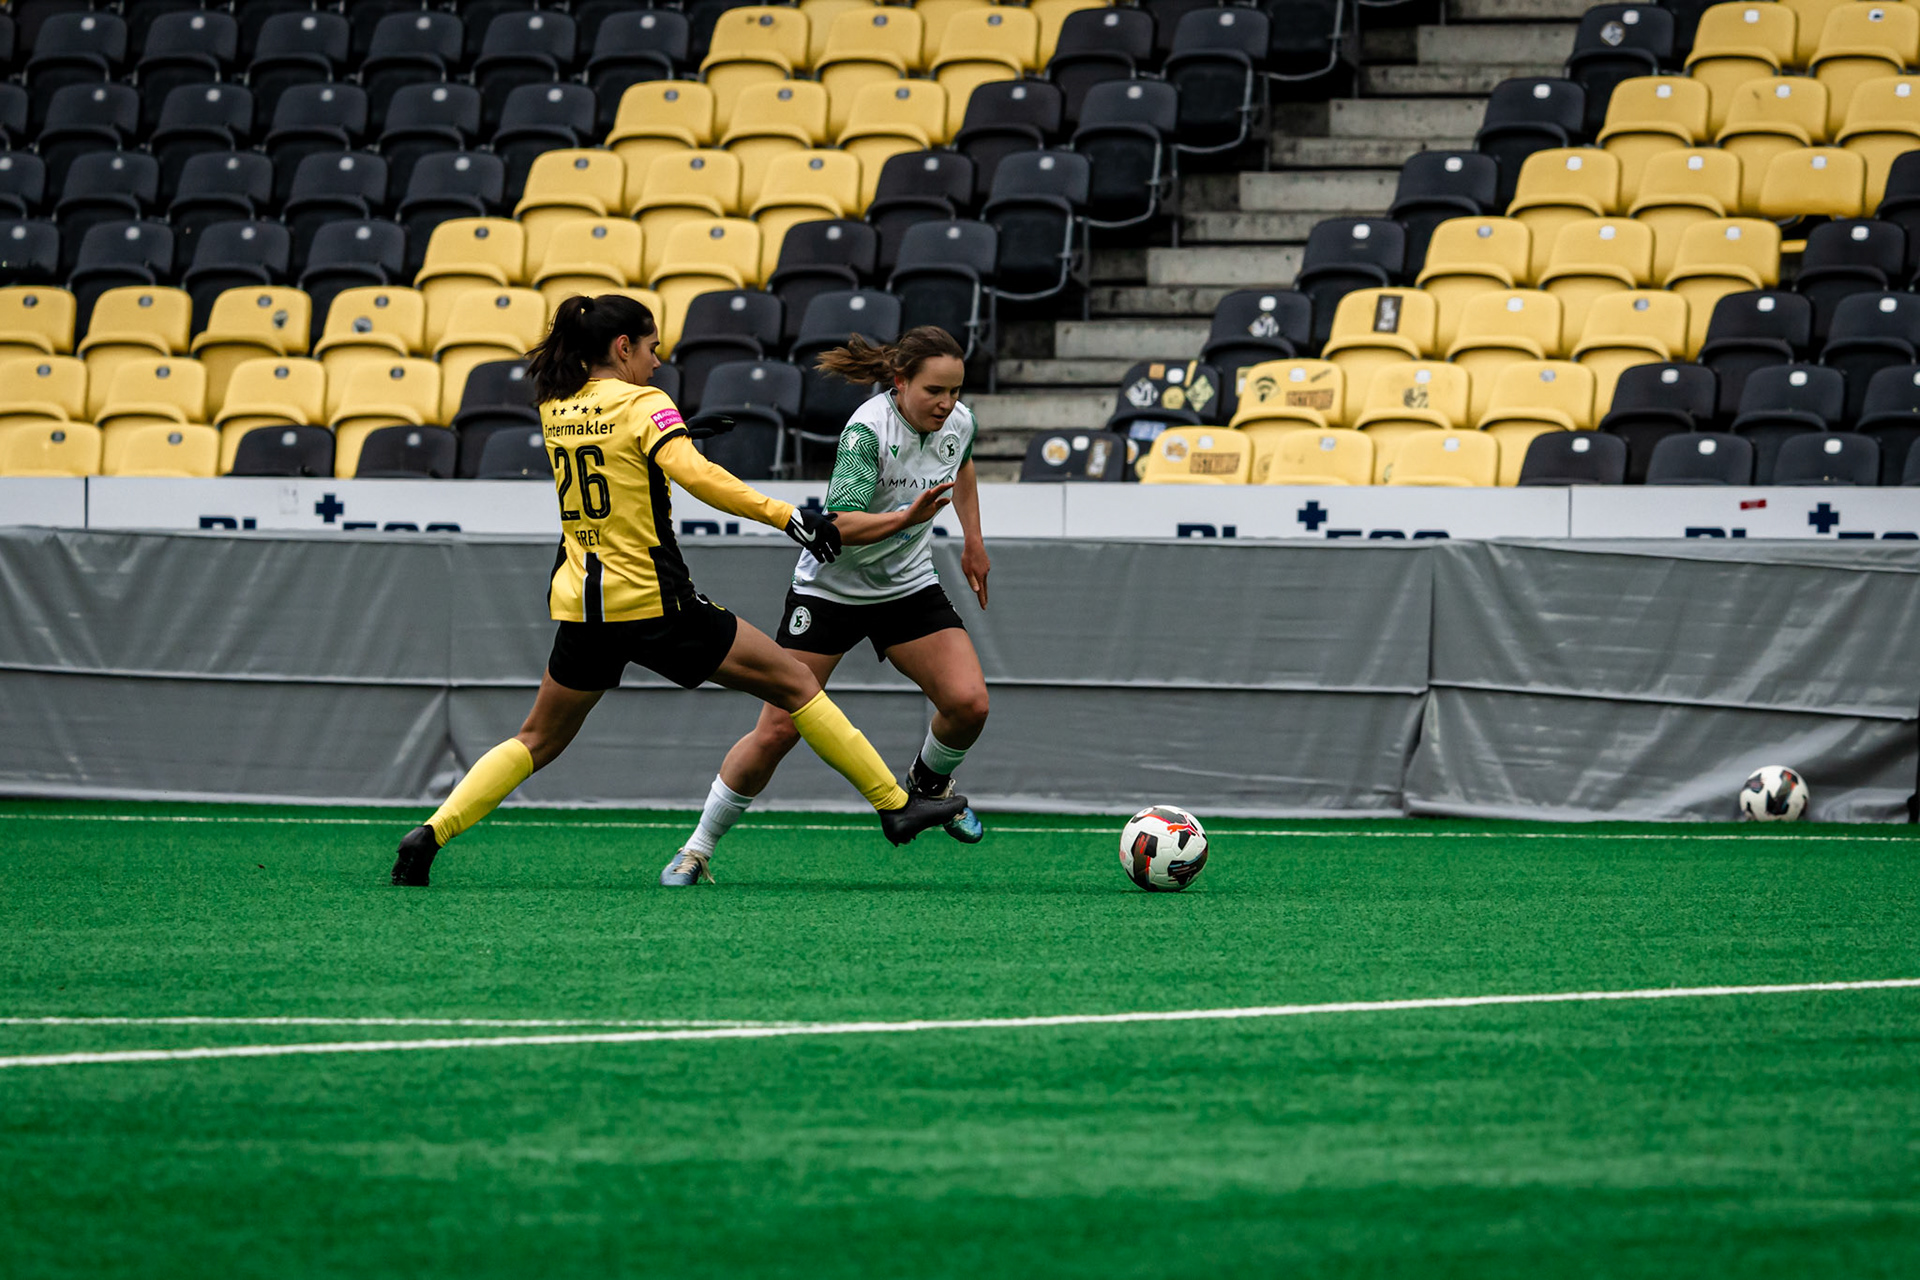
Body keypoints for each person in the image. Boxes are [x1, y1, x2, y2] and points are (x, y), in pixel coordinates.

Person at [390, 296, 966, 887]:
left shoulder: (556, 405)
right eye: (652, 348)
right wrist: (788, 516)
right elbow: (697, 477)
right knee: (797, 684)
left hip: (585, 607)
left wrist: (680, 435)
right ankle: (895, 806)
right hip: (655, 602)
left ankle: (429, 834)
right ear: (623, 348)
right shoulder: (646, 403)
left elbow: (615, 455)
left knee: (535, 738)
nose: (657, 361)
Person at [661, 326, 991, 887]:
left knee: (969, 705)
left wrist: (973, 542)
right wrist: (905, 520)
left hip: (907, 585)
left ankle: (929, 786)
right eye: (934, 390)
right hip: (830, 591)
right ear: (900, 382)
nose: (947, 403)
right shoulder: (867, 431)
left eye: (955, 391)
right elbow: (839, 526)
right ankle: (696, 850)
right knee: (777, 730)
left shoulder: (958, 422)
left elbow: (961, 466)